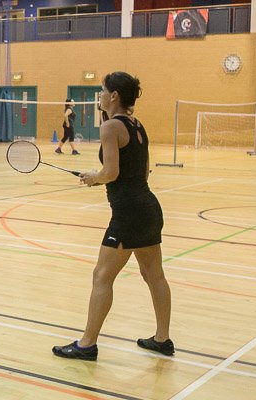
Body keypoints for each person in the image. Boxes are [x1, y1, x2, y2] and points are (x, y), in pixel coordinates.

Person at [52, 72, 172, 361]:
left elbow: (111, 173)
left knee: (101, 276)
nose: (100, 95)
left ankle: (86, 345)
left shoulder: (110, 127)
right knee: (153, 275)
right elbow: (143, 172)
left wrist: (94, 178)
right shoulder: (136, 125)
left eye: (103, 90)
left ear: (114, 96)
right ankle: (162, 339)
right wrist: (104, 179)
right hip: (149, 208)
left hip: (129, 213)